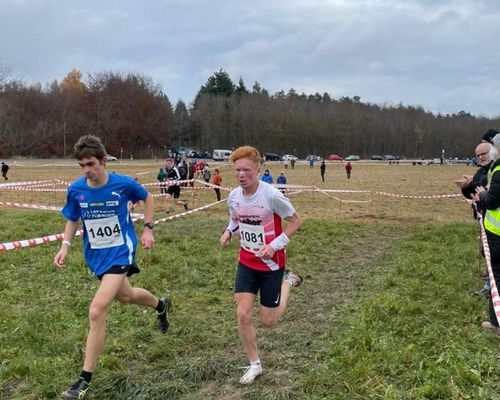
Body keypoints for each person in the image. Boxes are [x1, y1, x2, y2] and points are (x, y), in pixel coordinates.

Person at [53, 135, 171, 399]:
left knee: (96, 311)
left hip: (121, 252)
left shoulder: (123, 184)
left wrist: (149, 229)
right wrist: (65, 246)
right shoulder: (76, 189)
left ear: (104, 161)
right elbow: (72, 218)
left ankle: (84, 380)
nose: (87, 170)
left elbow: (148, 198)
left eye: (91, 164)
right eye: (82, 165)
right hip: (96, 256)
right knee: (127, 297)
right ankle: (160, 305)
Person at [219, 146, 302, 385]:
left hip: (272, 264)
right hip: (246, 261)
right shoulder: (234, 196)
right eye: (237, 171)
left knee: (268, 321)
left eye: (246, 170)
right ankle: (255, 364)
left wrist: (276, 245)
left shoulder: (272, 195)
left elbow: (297, 222)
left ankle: (287, 282)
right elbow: (235, 220)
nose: (241, 175)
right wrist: (227, 232)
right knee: (243, 314)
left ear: (257, 169)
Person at [473, 133, 500, 336]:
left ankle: (496, 322)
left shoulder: (498, 170)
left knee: (496, 278)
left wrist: (482, 194)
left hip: (497, 234)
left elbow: (492, 200)